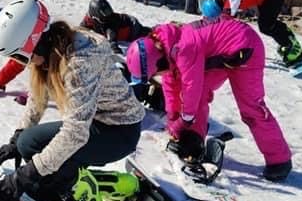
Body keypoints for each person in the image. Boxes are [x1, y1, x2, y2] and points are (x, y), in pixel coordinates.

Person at [0, 0, 145, 201]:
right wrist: (16, 139)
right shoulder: (51, 50)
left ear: (33, 45)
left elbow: (75, 134)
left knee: (42, 173)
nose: (22, 64)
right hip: (92, 124)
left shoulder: (79, 63)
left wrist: (23, 176)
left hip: (118, 132)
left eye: (21, 58)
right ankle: (100, 181)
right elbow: (37, 99)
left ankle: (87, 199)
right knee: (30, 156)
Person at [125, 16, 293, 181]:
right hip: (219, 55)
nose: (156, 77)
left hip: (245, 47)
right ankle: (194, 142)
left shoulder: (184, 48)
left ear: (159, 63)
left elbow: (192, 89)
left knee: (251, 108)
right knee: (197, 96)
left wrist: (183, 122)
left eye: (154, 74)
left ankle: (279, 160)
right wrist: (173, 121)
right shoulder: (167, 49)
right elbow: (170, 88)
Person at [209, 0, 302, 67]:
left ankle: (293, 49)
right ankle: (286, 36)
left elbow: (225, 24)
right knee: (266, 24)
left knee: (267, 26)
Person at [80, 0, 151, 54]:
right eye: (105, 13)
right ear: (96, 15)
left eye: (109, 11)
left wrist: (114, 46)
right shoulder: (89, 20)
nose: (109, 15)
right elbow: (81, 29)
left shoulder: (110, 20)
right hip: (127, 32)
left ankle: (157, 31)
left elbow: (111, 32)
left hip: (132, 26)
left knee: (148, 35)